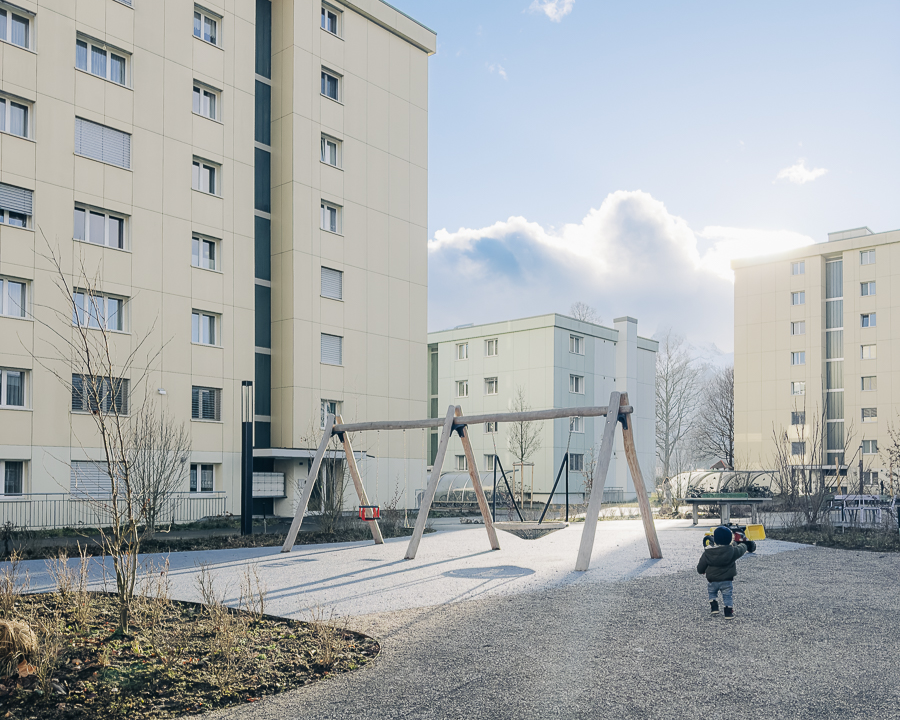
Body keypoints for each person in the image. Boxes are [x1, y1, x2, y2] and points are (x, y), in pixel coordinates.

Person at [696, 525, 747, 619]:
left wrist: (701, 571)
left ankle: (714, 607)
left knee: (712, 593)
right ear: (729, 540)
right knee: (727, 595)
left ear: (715, 540)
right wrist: (744, 544)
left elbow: (701, 566)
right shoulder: (732, 551)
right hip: (726, 580)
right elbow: (741, 549)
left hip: (712, 579)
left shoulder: (708, 552)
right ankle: (728, 612)